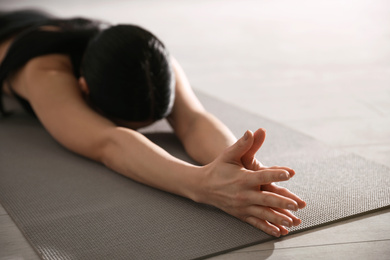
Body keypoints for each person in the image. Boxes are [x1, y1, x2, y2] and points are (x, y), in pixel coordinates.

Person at [0, 9, 306, 237]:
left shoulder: (151, 59)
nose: (140, 132)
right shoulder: (44, 73)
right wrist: (203, 185)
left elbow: (193, 121)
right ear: (84, 88)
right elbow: (109, 142)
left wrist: (244, 166)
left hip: (55, 23)